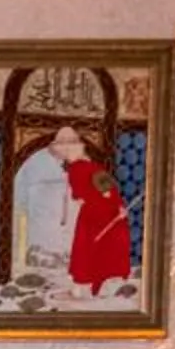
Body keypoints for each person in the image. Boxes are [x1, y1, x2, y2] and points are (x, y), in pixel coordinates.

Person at [50, 125, 132, 295]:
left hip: (99, 211)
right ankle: (91, 284)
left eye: (69, 149)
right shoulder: (80, 168)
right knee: (94, 247)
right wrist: (117, 205)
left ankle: (93, 285)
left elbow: (105, 190)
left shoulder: (84, 168)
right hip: (99, 211)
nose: (67, 154)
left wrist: (117, 205)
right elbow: (100, 191)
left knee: (94, 247)